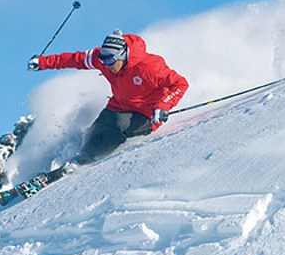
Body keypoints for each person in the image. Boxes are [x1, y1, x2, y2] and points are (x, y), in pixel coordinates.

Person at [27, 29, 190, 167]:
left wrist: (163, 106)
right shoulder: (103, 59)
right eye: (103, 60)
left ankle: (84, 161)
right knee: (97, 129)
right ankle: (79, 155)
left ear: (123, 55)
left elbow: (180, 84)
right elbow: (74, 59)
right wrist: (42, 63)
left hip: (146, 114)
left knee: (117, 127)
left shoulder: (149, 67)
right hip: (118, 106)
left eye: (110, 61)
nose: (106, 65)